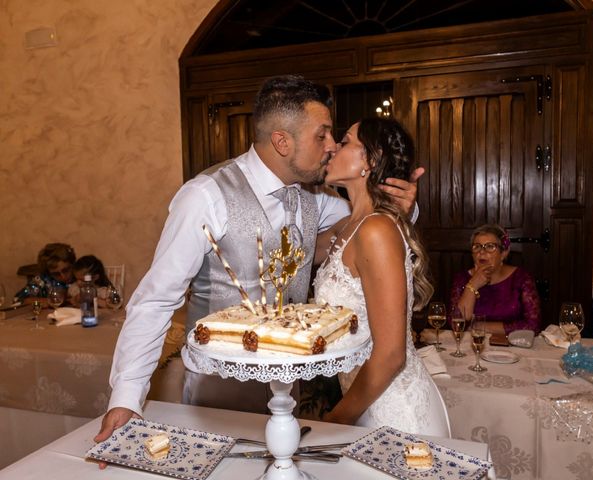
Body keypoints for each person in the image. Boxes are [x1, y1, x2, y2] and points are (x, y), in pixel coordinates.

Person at [95, 75, 423, 454]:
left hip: (288, 398)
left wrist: (407, 207)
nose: (331, 147)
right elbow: (156, 300)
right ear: (283, 141)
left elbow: (370, 224)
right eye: (322, 136)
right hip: (216, 400)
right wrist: (126, 397)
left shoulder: (316, 199)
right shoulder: (205, 196)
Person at [314, 117, 450, 436]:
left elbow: (391, 354)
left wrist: (335, 420)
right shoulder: (348, 227)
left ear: (370, 161)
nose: (333, 146)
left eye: (345, 141)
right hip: (364, 402)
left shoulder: (376, 230)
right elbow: (296, 255)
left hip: (395, 412)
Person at [449, 224, 542, 336]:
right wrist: (473, 284)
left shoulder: (521, 278)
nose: (482, 252)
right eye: (477, 246)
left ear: (503, 253)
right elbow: (457, 322)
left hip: (513, 347)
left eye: (490, 246)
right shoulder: (462, 279)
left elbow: (533, 325)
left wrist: (479, 326)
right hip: (472, 346)